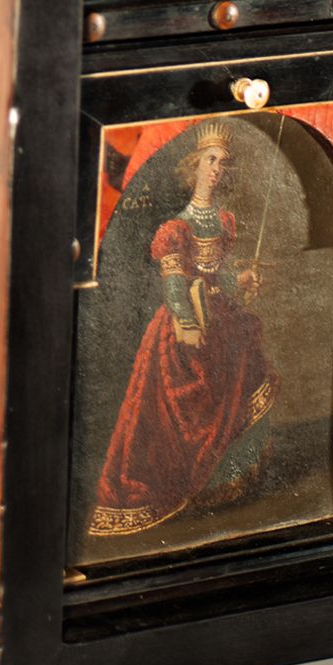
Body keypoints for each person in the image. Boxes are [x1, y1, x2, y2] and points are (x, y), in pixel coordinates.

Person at [88, 119, 279, 542]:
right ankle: (194, 488)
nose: (216, 170)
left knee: (249, 368)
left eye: (223, 163)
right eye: (210, 161)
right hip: (185, 326)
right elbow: (175, 282)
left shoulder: (224, 222)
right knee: (178, 407)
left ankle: (226, 487)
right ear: (194, 167)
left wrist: (241, 280)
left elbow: (221, 275)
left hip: (223, 319)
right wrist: (187, 323)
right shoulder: (175, 228)